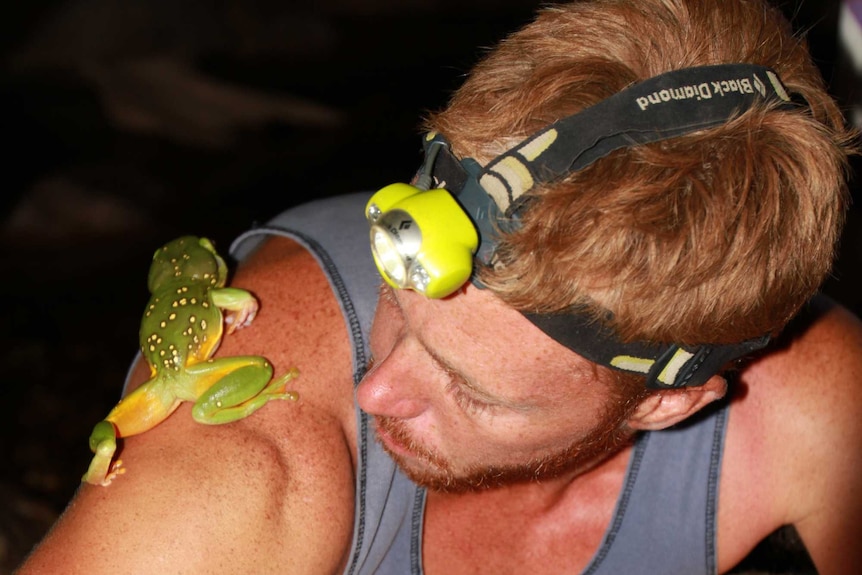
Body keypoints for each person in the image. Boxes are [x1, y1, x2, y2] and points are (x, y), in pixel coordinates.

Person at [18, 0, 862, 573]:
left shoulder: (819, 411)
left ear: (664, 404)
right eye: (396, 294)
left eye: (470, 389)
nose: (375, 388)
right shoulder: (241, 474)